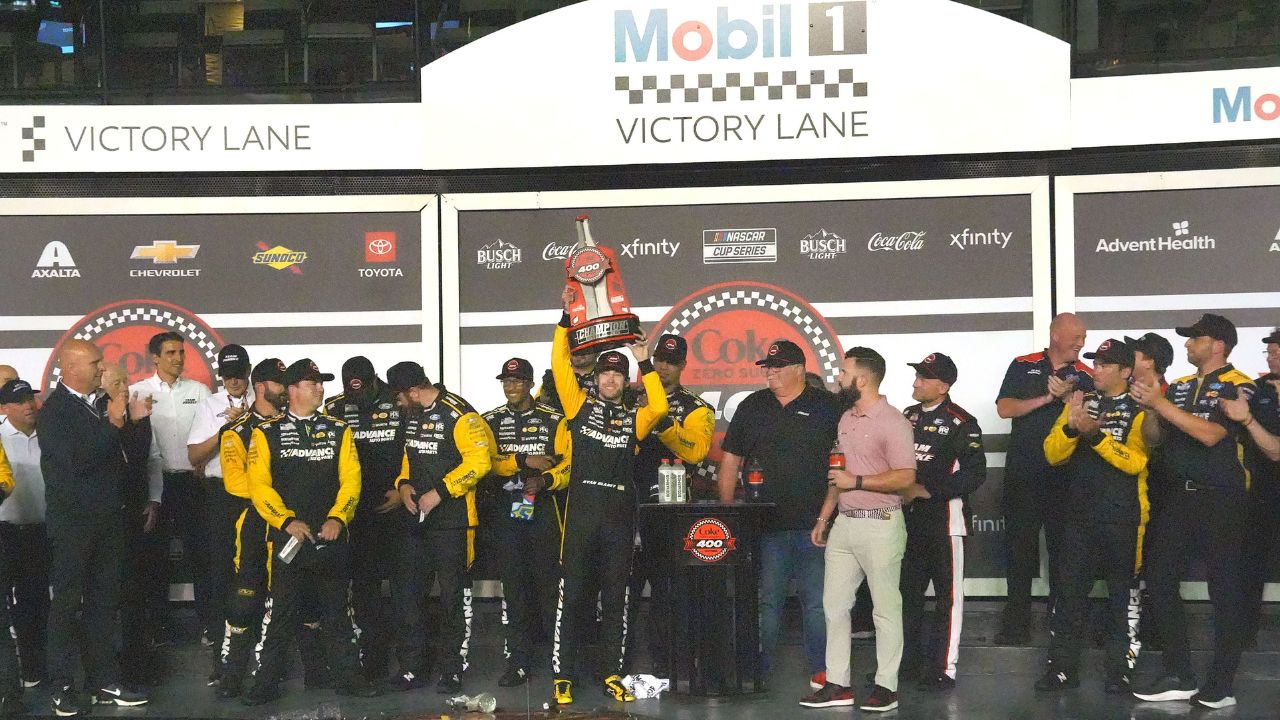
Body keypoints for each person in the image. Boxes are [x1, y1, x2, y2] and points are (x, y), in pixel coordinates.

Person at [1130, 313, 1255, 709]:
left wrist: (1159, 404)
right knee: (1160, 581)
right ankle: (1179, 674)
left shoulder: (1239, 385)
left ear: (1218, 344)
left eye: (1194, 339)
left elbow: (1210, 434)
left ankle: (1222, 684)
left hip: (1221, 499)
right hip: (1178, 500)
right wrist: (1152, 410)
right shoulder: (1180, 387)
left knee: (1224, 592)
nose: (1186, 345)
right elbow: (1153, 440)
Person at [550, 285, 667, 707]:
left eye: (618, 373)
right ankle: (562, 676)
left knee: (616, 600)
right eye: (605, 373)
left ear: (624, 379)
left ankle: (612, 675)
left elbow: (660, 408)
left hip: (619, 519)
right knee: (574, 595)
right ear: (595, 379)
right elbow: (558, 364)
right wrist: (565, 320)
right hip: (581, 516)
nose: (611, 378)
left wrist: (645, 362)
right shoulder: (577, 406)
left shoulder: (634, 418)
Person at [241, 359, 380, 705]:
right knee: (282, 614)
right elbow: (258, 486)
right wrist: (286, 522)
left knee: (337, 613)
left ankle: (350, 678)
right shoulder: (265, 432)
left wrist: (338, 518)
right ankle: (265, 684)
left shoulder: (339, 430)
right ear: (292, 389)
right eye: (312, 383)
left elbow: (352, 480)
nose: (320, 388)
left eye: (321, 383)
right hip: (288, 539)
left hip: (331, 536)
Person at [717, 339, 839, 692]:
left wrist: (827, 517)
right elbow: (730, 462)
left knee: (816, 603)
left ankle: (822, 670)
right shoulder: (753, 405)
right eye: (767, 366)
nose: (770, 371)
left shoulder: (827, 406)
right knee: (766, 601)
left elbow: (843, 460)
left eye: (778, 365)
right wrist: (727, 517)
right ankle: (758, 669)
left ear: (800, 369)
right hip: (763, 525)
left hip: (813, 524)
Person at [39, 340, 150, 715]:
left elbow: (130, 460)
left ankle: (104, 681)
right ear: (70, 367)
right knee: (67, 606)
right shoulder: (53, 411)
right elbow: (76, 462)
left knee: (105, 603)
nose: (103, 368)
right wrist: (115, 424)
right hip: (73, 526)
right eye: (94, 362)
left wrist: (135, 422)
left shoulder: (103, 405)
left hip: (108, 521)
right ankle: (62, 685)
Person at [803, 347, 915, 713]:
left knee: (885, 609)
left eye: (844, 372)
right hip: (845, 525)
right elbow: (838, 474)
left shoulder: (894, 421)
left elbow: (905, 478)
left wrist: (858, 480)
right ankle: (838, 683)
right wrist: (824, 517)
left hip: (882, 522)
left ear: (862, 379)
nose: (838, 377)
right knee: (833, 606)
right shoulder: (846, 418)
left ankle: (887, 685)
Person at [1038, 339, 1149, 693]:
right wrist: (1072, 428)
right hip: (1079, 517)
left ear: (1125, 371)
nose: (1095, 370)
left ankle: (1119, 672)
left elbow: (1137, 461)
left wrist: (1096, 435)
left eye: (1104, 364)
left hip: (1122, 518)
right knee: (1069, 596)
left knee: (1120, 598)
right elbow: (1052, 454)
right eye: (1094, 363)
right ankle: (1062, 670)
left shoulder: (1140, 407)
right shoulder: (1080, 402)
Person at [387, 361, 491, 695]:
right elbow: (409, 455)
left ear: (414, 391)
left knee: (452, 599)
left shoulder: (460, 414)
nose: (398, 404)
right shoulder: (413, 414)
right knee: (409, 597)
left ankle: (452, 671)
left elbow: (480, 463)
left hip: (454, 523)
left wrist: (440, 493)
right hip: (416, 521)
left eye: (400, 397)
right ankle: (411, 668)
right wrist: (403, 484)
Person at [995, 313, 1093, 644]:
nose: (1081, 342)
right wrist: (1048, 399)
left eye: (1084, 336)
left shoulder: (1088, 375)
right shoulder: (1023, 365)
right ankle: (1015, 626)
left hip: (1067, 477)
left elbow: (1094, 423)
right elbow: (1005, 408)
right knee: (1019, 551)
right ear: (1054, 334)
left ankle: (1061, 625)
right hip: (1024, 473)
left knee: (1064, 554)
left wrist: (1069, 400)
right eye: (1076, 336)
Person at [897, 353, 986, 691]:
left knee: (948, 598)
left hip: (946, 522)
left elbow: (976, 474)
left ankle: (944, 668)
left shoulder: (962, 421)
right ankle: (907, 663)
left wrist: (927, 490)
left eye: (924, 376)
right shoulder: (907, 416)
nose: (916, 381)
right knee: (907, 595)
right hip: (908, 522)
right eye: (917, 374)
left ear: (943, 385)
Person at [482, 357, 571, 687]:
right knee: (515, 588)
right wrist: (521, 461)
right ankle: (518, 662)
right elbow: (485, 462)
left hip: (544, 509)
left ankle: (559, 661)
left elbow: (570, 466)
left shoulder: (555, 421)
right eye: (506, 381)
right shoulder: (489, 421)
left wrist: (545, 479)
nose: (511, 387)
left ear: (531, 383)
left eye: (518, 381)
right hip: (507, 510)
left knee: (549, 585)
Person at [629, 334, 714, 673]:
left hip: (669, 510)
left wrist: (663, 422)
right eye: (660, 360)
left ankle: (668, 663)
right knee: (623, 589)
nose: (664, 367)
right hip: (625, 505)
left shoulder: (696, 407)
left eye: (672, 362)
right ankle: (616, 663)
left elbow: (695, 451)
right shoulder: (627, 398)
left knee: (668, 590)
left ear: (683, 366)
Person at [322, 356, 406, 683]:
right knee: (365, 590)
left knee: (405, 589)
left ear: (374, 380)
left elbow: (419, 448)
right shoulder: (336, 407)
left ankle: (410, 662)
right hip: (356, 513)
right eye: (350, 390)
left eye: (362, 389)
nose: (356, 396)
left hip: (398, 506)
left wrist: (403, 489)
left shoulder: (397, 401)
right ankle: (372, 662)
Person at [130, 331, 213, 643]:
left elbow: (213, 433)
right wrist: (150, 494)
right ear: (154, 357)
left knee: (202, 555)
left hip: (193, 481)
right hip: (157, 483)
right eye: (170, 353)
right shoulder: (137, 392)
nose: (178, 358)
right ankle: (155, 628)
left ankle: (210, 624)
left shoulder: (200, 390)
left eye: (181, 352)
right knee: (154, 558)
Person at [213, 358, 288, 699]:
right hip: (253, 524)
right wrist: (282, 497)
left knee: (286, 598)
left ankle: (271, 670)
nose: (286, 390)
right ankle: (230, 673)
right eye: (279, 384)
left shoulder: (292, 425)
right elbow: (238, 484)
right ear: (261, 386)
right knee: (244, 602)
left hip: (290, 524)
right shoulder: (236, 429)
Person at [186, 344, 254, 681]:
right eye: (228, 375)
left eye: (239, 374)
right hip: (219, 493)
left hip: (256, 491)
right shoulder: (210, 405)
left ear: (249, 371)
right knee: (219, 569)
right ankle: (221, 642)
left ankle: (257, 642)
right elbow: (194, 456)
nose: (234, 381)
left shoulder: (262, 401)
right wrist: (226, 430)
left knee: (257, 567)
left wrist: (249, 421)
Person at [99, 365, 162, 687]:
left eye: (126, 381)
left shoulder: (136, 414)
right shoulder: (97, 416)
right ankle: (113, 666)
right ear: (101, 386)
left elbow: (146, 459)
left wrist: (152, 499)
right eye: (116, 382)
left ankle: (140, 662)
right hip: (106, 519)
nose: (124, 387)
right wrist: (124, 423)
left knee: (139, 590)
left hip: (134, 515)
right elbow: (110, 461)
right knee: (113, 594)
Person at [1226, 327, 1280, 649]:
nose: (1272, 356)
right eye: (1269, 351)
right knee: (1250, 563)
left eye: (1277, 350)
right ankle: (1243, 636)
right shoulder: (1253, 390)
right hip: (1259, 489)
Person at [0, 379, 50, 690]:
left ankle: (35, 666)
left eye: (30, 399)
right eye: (20, 402)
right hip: (8, 531)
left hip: (44, 529)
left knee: (38, 601)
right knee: (10, 604)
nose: (29, 406)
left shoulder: (50, 434)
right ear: (4, 408)